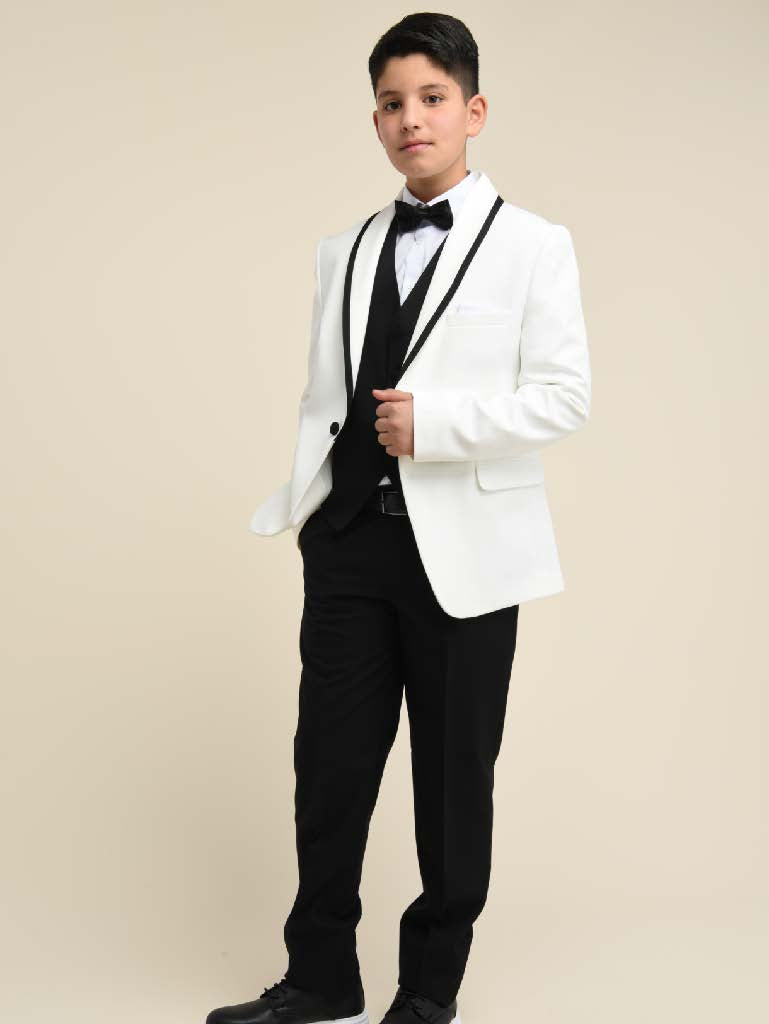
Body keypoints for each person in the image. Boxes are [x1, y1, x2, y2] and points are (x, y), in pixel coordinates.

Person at [207, 12, 591, 1024]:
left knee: (452, 781)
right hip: (349, 544)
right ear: (374, 120)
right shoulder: (342, 249)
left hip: (466, 552)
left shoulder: (534, 246)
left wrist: (439, 425)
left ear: (473, 111)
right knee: (327, 771)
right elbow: (323, 396)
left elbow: (565, 397)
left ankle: (427, 991)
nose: (409, 118)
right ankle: (319, 976)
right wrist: (311, 506)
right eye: (390, 103)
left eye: (430, 98)